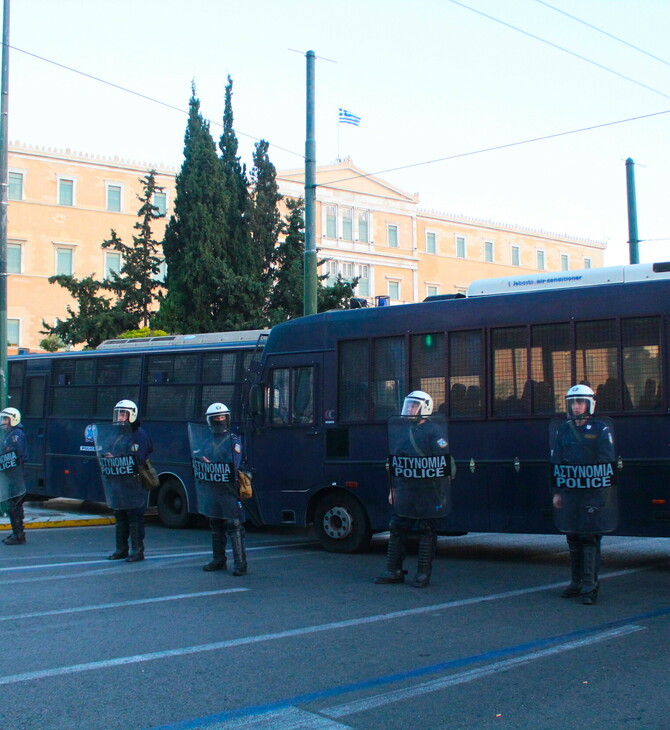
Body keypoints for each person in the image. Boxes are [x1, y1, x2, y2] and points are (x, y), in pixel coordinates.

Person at [375, 390, 452, 588]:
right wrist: (393, 489)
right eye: (408, 405)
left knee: (426, 529)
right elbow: (395, 463)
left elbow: (444, 461)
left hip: (427, 489)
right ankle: (394, 570)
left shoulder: (434, 432)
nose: (409, 409)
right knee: (397, 526)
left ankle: (423, 574)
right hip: (406, 488)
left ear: (425, 407)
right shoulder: (403, 432)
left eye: (413, 405)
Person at [551, 384, 616, 605]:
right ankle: (576, 581)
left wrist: (600, 488)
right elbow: (557, 462)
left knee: (589, 536)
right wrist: (557, 492)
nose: (577, 406)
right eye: (573, 403)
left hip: (592, 491)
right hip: (570, 491)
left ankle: (590, 585)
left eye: (580, 402)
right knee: (572, 535)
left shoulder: (600, 428)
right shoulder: (564, 429)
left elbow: (607, 460)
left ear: (590, 404)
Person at [193, 403, 247, 576]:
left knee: (234, 525)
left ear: (227, 418)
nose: (219, 420)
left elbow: (234, 463)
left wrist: (212, 464)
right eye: (215, 418)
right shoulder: (207, 441)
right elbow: (199, 458)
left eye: (222, 417)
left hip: (228, 488)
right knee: (215, 523)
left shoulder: (233, 440)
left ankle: (240, 564)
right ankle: (219, 560)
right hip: (212, 487)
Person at [106, 400, 153, 563]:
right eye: (119, 413)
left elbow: (138, 458)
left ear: (132, 415)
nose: (120, 417)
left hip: (134, 481)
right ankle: (121, 549)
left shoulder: (139, 434)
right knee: (120, 515)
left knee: (134, 516)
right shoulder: (117, 433)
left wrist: (117, 458)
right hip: (118, 481)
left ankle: (137, 550)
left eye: (123, 413)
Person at [1, 407, 28, 545]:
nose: (3, 422)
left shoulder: (16, 435)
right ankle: (17, 533)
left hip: (18, 476)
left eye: (6, 419)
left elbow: (16, 453)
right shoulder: (9, 434)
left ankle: (19, 535)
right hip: (12, 475)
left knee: (14, 506)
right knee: (14, 506)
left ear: (13, 419)